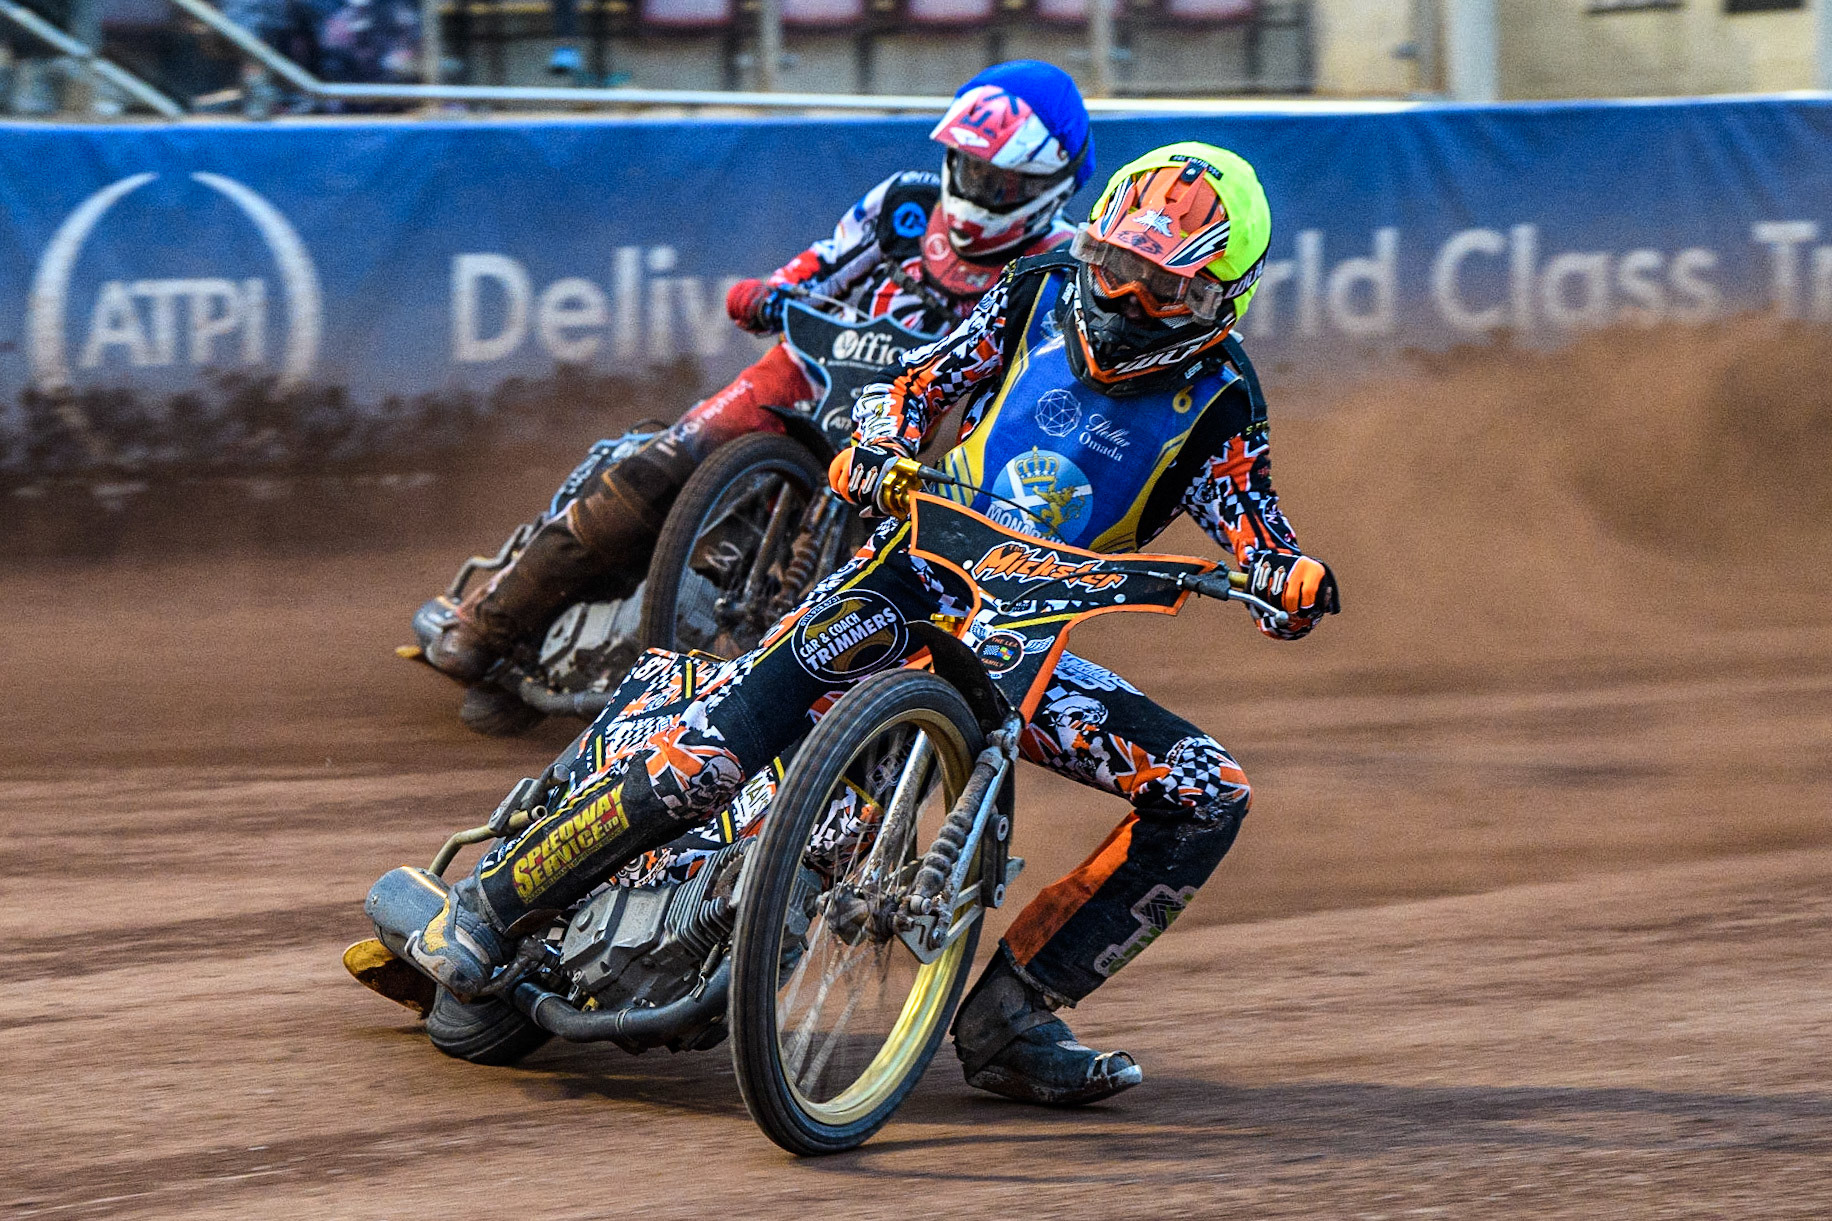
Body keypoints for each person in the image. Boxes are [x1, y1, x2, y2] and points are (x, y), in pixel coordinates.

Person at [403, 141, 1339, 1107]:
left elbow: (1256, 529)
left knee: (1207, 792)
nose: (1125, 299)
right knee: (711, 755)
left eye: (1162, 288)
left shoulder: (1223, 401)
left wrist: (1288, 580)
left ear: (1224, 299)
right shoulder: (1034, 292)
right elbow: (919, 383)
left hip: (1026, 641)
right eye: (1114, 265)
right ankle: (491, 906)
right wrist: (883, 440)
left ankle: (1012, 1016)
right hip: (906, 578)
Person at [422, 60, 1095, 683]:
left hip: (926, 432)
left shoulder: (1061, 267)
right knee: (664, 462)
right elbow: (823, 264)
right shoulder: (905, 205)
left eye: (1001, 182)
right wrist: (769, 293)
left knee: (928, 581)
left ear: (1049, 186)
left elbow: (1040, 390)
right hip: (812, 372)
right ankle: (490, 620)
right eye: (969, 168)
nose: (979, 190)